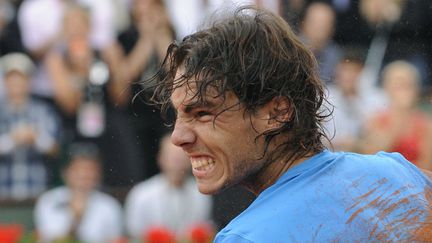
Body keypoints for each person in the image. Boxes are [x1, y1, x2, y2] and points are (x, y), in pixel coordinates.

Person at [146, 6, 432, 242]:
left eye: (203, 114)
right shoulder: (401, 174)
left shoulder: (247, 238)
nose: (178, 137)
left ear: (277, 112)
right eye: (179, 114)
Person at [124, 133, 213, 241]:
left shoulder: (202, 192)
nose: (177, 161)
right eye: (172, 156)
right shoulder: (141, 193)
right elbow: (134, 235)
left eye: (181, 155)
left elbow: (204, 230)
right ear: (160, 158)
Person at [34, 142, 123, 242]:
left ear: (99, 174)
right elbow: (47, 240)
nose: (84, 175)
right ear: (65, 173)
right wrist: (76, 219)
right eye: (78, 169)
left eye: (90, 170)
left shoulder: (109, 205)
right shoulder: (48, 201)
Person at [0, 53, 60, 200]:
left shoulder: (44, 110)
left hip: (37, 191)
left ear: (29, 81)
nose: (16, 82)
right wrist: (12, 139)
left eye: (21, 78)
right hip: (3, 194)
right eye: (12, 78)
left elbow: (55, 148)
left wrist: (35, 137)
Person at [359, 60, 432, 170]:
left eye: (407, 84)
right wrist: (398, 114)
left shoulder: (425, 123)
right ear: (386, 87)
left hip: (414, 181)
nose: (402, 89)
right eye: (398, 84)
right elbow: (372, 156)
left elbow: (427, 166)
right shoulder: (375, 120)